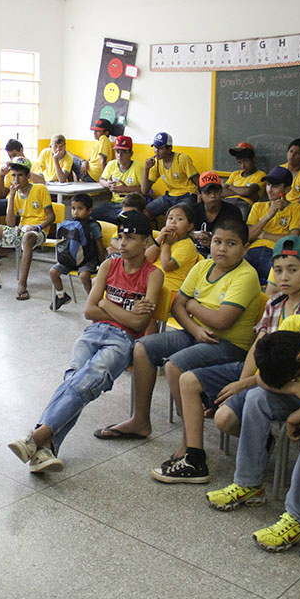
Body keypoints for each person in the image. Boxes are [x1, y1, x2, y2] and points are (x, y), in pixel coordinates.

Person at [153, 236, 300, 482]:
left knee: (224, 419)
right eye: (278, 270)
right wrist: (242, 381)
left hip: (289, 380)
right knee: (188, 380)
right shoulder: (276, 303)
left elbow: (296, 366)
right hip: (260, 373)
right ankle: (194, 459)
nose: (284, 277)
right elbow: (259, 346)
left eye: (292, 270)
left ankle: (260, 439)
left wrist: (243, 385)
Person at [7, 211, 163, 473]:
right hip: (93, 332)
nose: (122, 243)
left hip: (122, 341)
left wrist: (104, 302)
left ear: (147, 242)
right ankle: (47, 448)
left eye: (131, 238)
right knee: (76, 379)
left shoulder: (153, 275)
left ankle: (36, 436)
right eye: (120, 237)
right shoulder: (108, 266)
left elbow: (138, 325)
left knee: (87, 380)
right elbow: (89, 311)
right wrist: (112, 308)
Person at [204, 314, 300, 550]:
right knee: (257, 397)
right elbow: (262, 379)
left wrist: (293, 418)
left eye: (296, 374)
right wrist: (296, 386)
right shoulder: (291, 328)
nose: (296, 378)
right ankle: (248, 484)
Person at [94, 216, 260, 440]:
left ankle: (189, 442)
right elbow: (177, 304)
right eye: (217, 242)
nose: (222, 249)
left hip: (228, 345)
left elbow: (222, 321)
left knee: (175, 366)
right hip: (197, 334)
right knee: (142, 347)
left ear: (245, 248)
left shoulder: (246, 275)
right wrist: (195, 329)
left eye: (231, 244)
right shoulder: (203, 266)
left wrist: (192, 305)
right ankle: (140, 420)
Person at [0, 156, 54, 301]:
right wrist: (11, 197)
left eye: (20, 175)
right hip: (21, 229)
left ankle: (22, 285)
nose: (16, 179)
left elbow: (51, 217)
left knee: (27, 237)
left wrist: (36, 227)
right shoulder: (15, 194)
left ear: (28, 176)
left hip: (38, 231)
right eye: (13, 175)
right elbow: (10, 224)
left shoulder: (40, 189)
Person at [140, 203, 200, 332]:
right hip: (152, 283)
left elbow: (167, 266)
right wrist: (160, 238)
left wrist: (166, 245)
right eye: (170, 218)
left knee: (145, 307)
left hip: (170, 290)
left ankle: (147, 342)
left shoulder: (187, 246)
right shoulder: (163, 240)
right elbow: (146, 259)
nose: (173, 222)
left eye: (179, 219)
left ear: (190, 226)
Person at [245, 166, 300, 285]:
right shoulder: (258, 207)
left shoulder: (296, 208)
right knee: (236, 273)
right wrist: (268, 215)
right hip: (252, 251)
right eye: (268, 185)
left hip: (276, 254)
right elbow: (248, 236)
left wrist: (261, 234)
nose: (270, 190)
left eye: (275, 186)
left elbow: (291, 241)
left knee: (280, 281)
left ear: (287, 189)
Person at [49, 193, 103, 311]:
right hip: (69, 259)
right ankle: (61, 295)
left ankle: (92, 301)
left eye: (80, 208)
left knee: (84, 275)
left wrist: (102, 262)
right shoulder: (69, 224)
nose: (75, 212)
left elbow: (99, 243)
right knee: (53, 272)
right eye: (73, 208)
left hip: (87, 259)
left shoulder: (93, 226)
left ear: (89, 210)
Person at [142, 132, 200, 219]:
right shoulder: (157, 163)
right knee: (144, 213)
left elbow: (198, 181)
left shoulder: (182, 159)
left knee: (177, 216)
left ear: (169, 149)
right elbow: (145, 190)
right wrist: (146, 169)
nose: (156, 151)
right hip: (169, 197)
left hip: (187, 195)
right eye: (155, 147)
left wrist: (200, 199)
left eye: (160, 148)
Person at [94, 135, 143, 224]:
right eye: (117, 152)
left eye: (123, 152)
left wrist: (126, 189)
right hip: (114, 204)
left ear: (131, 153)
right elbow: (101, 179)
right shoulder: (111, 164)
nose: (119, 155)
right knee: (92, 215)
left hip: (130, 206)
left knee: (123, 219)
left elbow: (145, 190)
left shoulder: (138, 167)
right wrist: (107, 184)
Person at [222, 142, 265, 218]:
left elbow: (248, 191)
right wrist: (243, 193)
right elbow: (222, 192)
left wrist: (231, 187)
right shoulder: (235, 174)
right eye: (240, 162)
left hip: (244, 205)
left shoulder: (260, 175)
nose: (243, 166)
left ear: (253, 159)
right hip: (227, 202)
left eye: (245, 161)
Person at [71, 118, 113, 182]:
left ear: (106, 133)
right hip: (90, 173)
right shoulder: (99, 142)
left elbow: (103, 160)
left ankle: (72, 183)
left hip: (92, 175)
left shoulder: (103, 139)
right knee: (74, 156)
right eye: (94, 130)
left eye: (98, 131)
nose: (94, 133)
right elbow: (92, 160)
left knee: (69, 156)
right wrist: (85, 162)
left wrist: (104, 178)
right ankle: (76, 182)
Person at [0, 139, 25, 220]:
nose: (12, 159)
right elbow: (2, 196)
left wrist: (24, 167)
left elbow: (41, 181)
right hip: (10, 200)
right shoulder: (11, 170)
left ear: (21, 150)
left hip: (21, 201)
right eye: (10, 156)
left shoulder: (33, 164)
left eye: (14, 155)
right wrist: (1, 176)